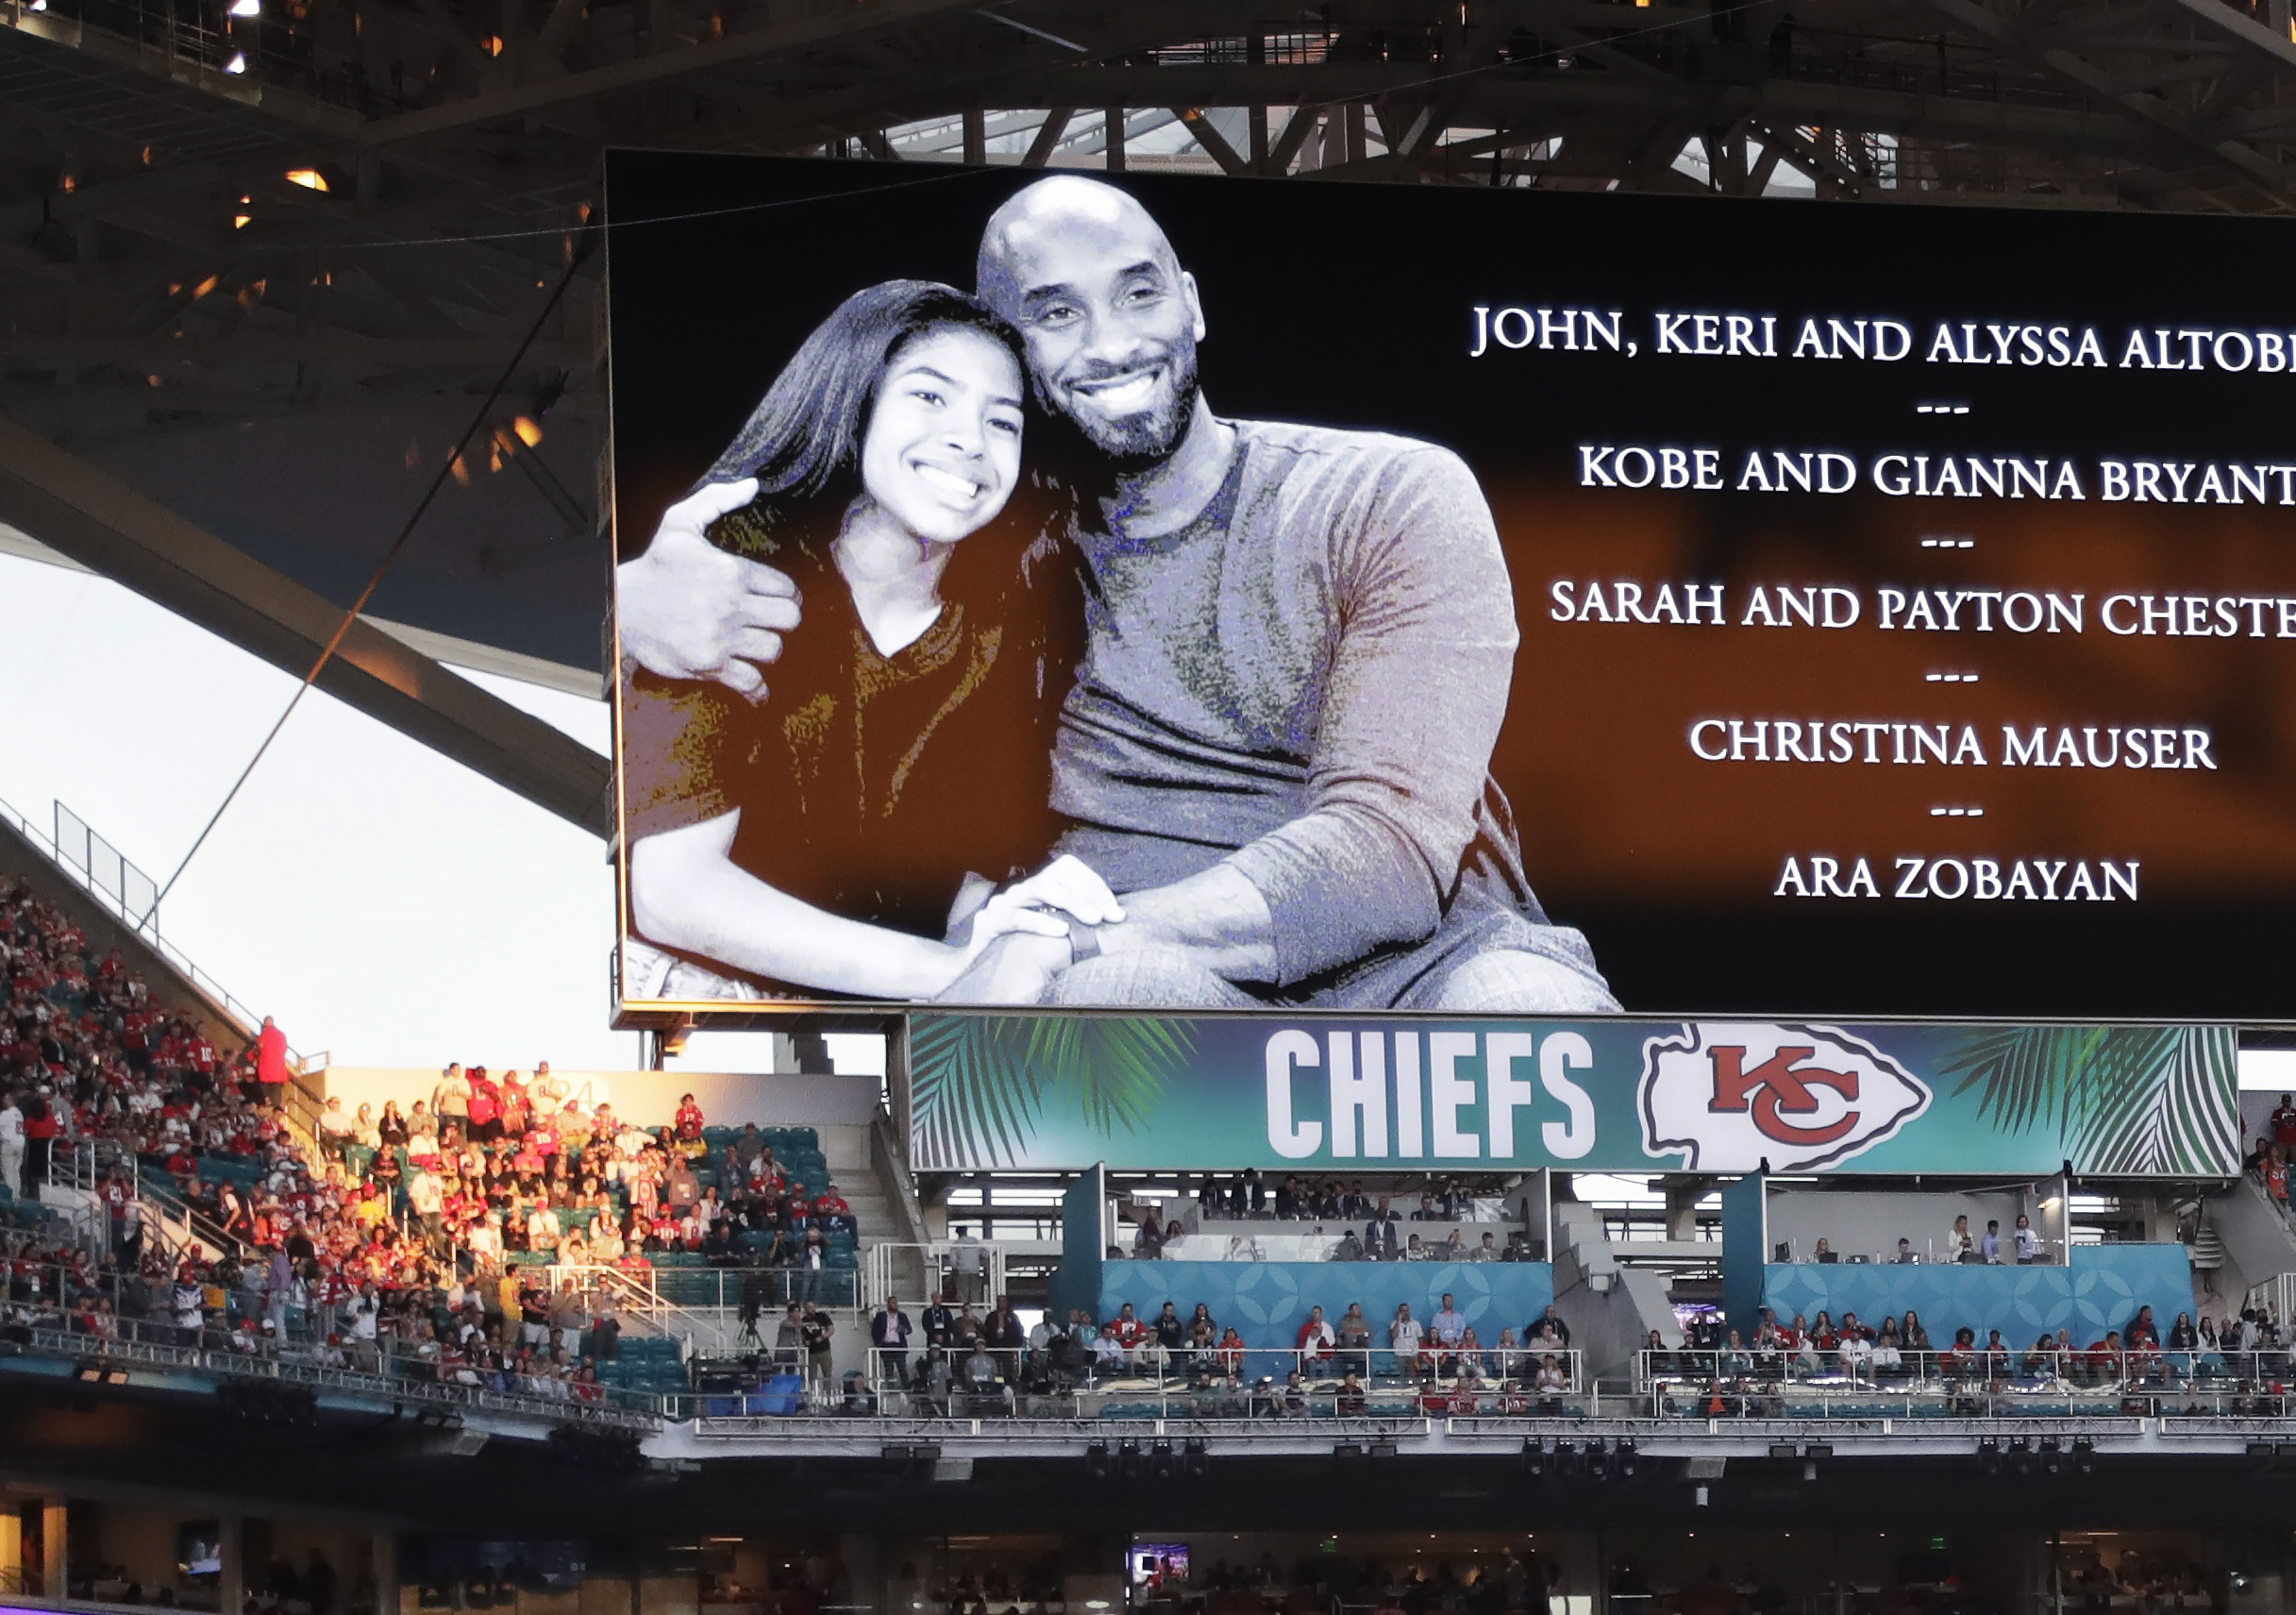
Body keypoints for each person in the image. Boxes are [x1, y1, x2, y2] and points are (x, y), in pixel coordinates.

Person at [614, 174, 1610, 1015]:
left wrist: (1043, 947)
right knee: (1125, 997)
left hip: (1432, 966)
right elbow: (838, 596)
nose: (1109, 343)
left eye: (1139, 295)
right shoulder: (988, 550)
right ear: (1004, 347)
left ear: (1193, 303)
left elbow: (1386, 849)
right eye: (1054, 313)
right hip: (1148, 980)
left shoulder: (1381, 494)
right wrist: (629, 606)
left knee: (1528, 1012)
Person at [620, 278, 1099, 1003]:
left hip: (872, 1019)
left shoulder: (1003, 631)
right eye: (930, 396)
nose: (969, 441)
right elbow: (673, 891)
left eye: (1002, 421)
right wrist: (955, 975)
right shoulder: (732, 569)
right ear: (858, 397)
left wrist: (1008, 930)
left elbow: (954, 881)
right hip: (703, 1001)